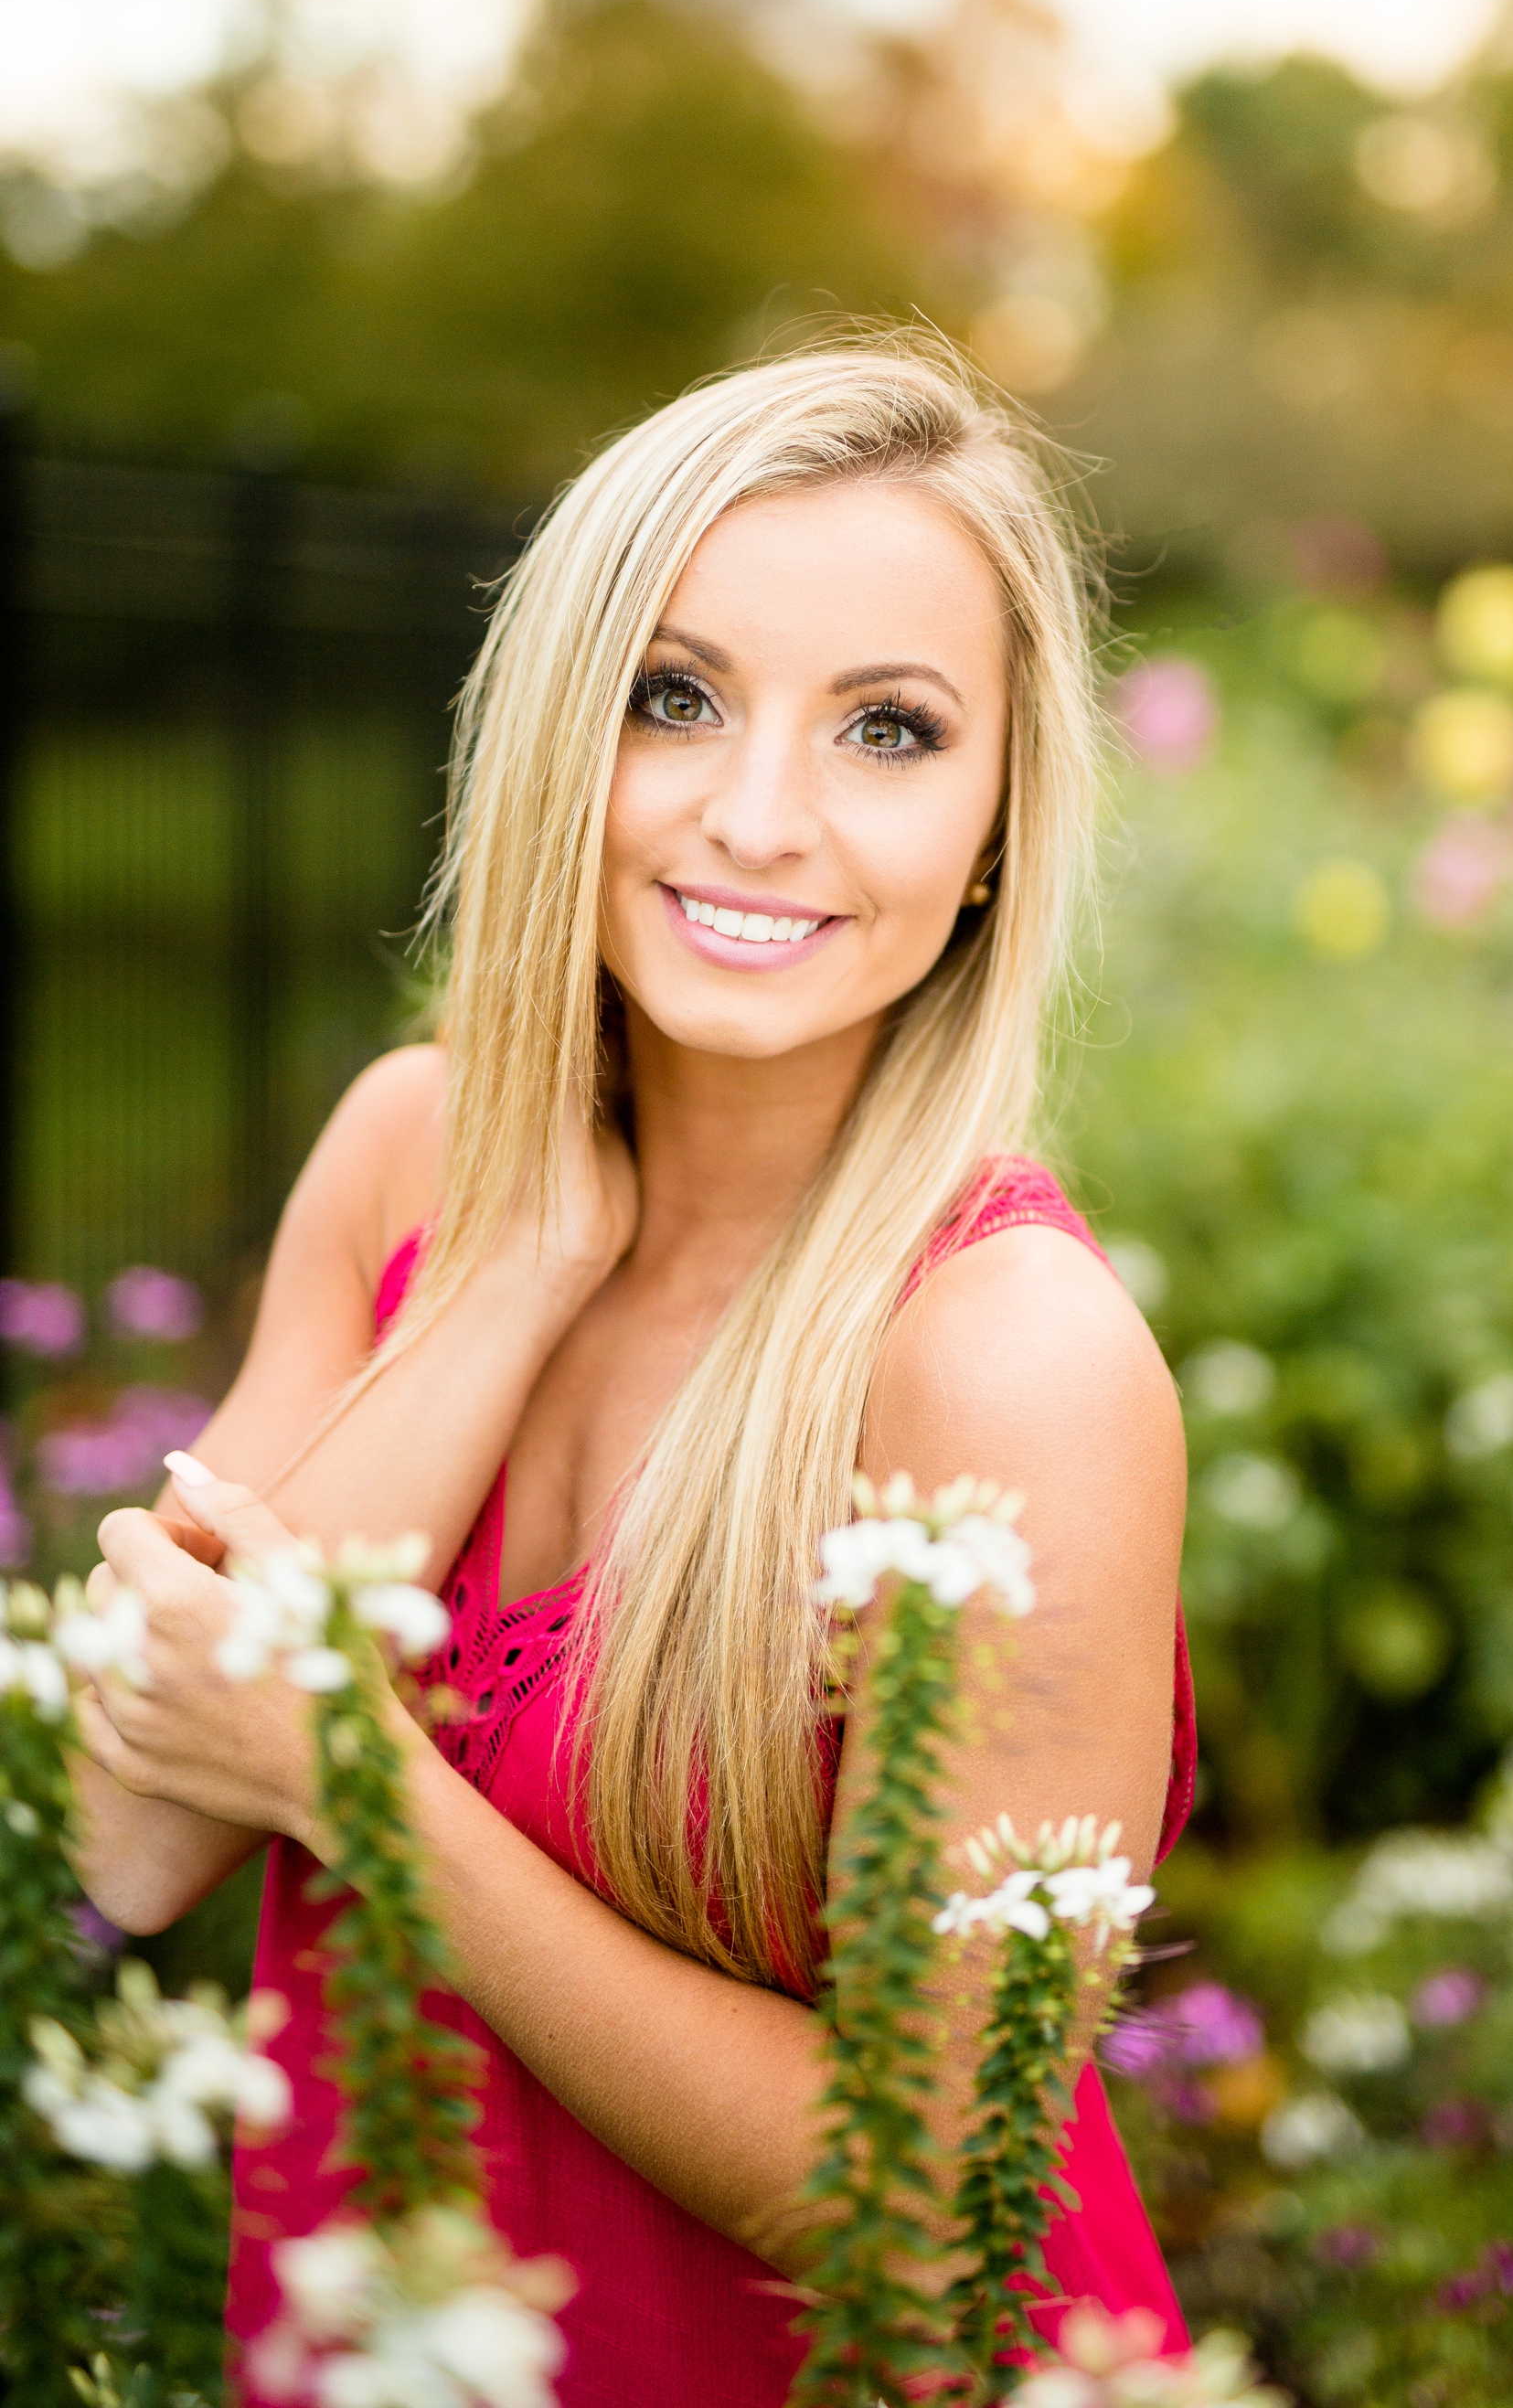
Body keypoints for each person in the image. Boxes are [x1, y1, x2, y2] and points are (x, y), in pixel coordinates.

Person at [74, 339, 1194, 2403]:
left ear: (994, 829)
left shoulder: (1001, 1367)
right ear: (553, 739)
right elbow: (127, 1842)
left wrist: (362, 1791)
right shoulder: (410, 1156)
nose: (756, 818)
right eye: (673, 697)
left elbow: (939, 2213)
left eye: (889, 729)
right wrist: (518, 1269)